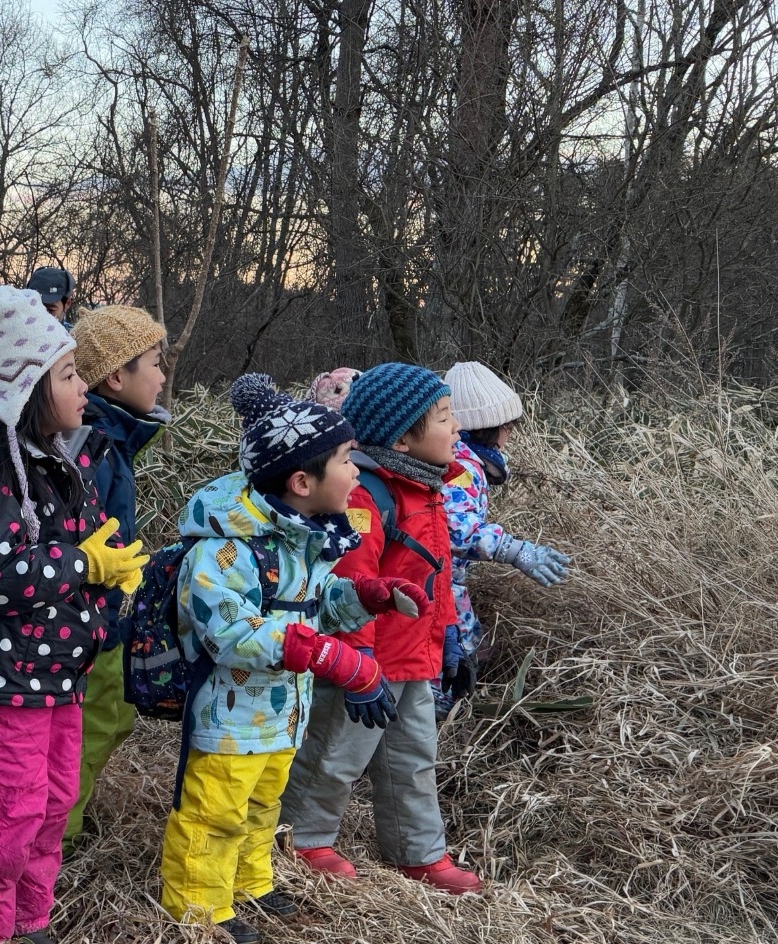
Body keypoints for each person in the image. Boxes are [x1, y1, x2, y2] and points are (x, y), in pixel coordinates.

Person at [157, 375, 422, 944]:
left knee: (262, 803)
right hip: (229, 717)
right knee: (216, 810)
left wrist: (365, 596)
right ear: (302, 481)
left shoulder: (302, 538)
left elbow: (317, 606)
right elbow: (229, 631)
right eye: (347, 461)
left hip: (282, 711)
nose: (357, 473)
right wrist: (327, 656)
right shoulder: (223, 549)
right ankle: (199, 907)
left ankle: (251, 881)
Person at [0, 273, 148, 944]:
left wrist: (108, 574)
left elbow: (59, 553)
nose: (83, 387)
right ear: (24, 390)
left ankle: (29, 923)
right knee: (1, 822)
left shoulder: (54, 463)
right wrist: (85, 563)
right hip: (4, 685)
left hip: (60, 677)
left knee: (51, 808)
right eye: (68, 376)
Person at [279, 362, 483, 894]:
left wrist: (451, 642)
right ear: (403, 438)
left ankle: (418, 852)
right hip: (365, 665)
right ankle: (303, 839)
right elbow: (353, 582)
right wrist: (357, 665)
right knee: (334, 754)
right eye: (444, 417)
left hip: (414, 659)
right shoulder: (370, 498)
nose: (456, 427)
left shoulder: (427, 488)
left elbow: (433, 581)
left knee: (414, 759)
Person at [62, 304, 170, 852]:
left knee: (105, 716)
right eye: (153, 361)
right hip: (91, 621)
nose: (162, 375)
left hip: (101, 614)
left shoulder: (111, 440)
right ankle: (59, 835)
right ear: (115, 376)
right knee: (97, 720)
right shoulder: (97, 448)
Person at [435, 362, 572, 718]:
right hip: (439, 584)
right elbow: (456, 530)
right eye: (507, 426)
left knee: (471, 645)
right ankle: (444, 721)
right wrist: (516, 551)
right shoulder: (461, 468)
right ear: (491, 428)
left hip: (448, 581)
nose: (510, 433)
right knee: (456, 655)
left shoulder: (465, 461)